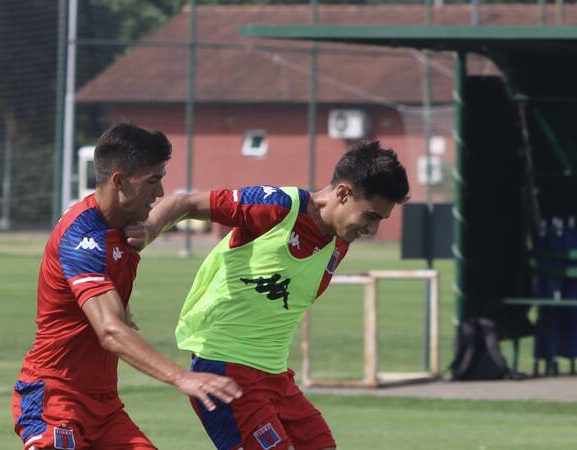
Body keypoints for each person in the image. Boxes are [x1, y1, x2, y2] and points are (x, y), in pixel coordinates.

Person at [130, 141, 409, 450]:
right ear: (343, 194)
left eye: (379, 220)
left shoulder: (338, 243)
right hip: (223, 368)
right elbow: (186, 203)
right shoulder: (278, 207)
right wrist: (149, 229)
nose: (372, 229)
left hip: (274, 376)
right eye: (370, 216)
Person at [11, 123, 242, 450]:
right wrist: (182, 377)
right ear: (119, 181)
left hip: (104, 408)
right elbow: (110, 331)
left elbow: (176, 204)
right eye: (152, 181)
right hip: (55, 397)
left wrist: (151, 230)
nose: (158, 192)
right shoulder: (82, 238)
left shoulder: (124, 228)